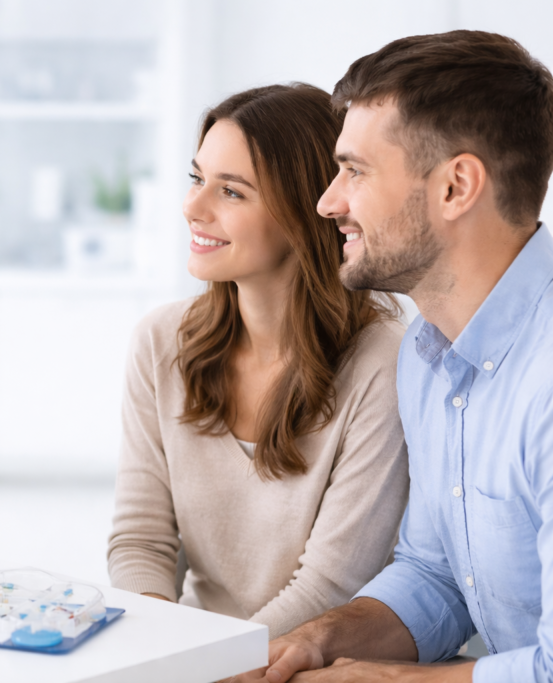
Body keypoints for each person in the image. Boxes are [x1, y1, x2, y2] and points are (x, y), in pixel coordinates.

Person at [237, 31, 553, 683]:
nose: (328, 202)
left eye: (355, 171)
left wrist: (385, 680)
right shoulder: (425, 354)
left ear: (455, 186)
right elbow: (437, 576)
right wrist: (315, 640)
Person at [106, 84, 409, 639]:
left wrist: (210, 666)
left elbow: (329, 588)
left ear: (307, 209)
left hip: (314, 660)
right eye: (197, 178)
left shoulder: (384, 363)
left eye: (231, 192)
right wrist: (160, 651)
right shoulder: (160, 341)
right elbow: (141, 541)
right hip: (195, 654)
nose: (192, 208)